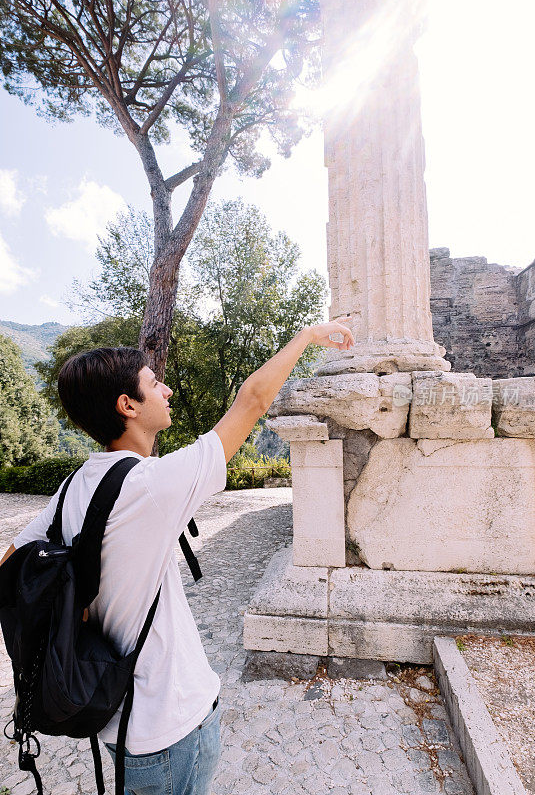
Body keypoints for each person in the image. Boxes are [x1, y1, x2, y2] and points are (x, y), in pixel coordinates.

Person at [0, 317, 354, 795]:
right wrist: (308, 336)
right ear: (127, 406)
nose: (165, 390)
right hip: (170, 729)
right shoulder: (150, 486)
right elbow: (252, 401)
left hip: (115, 721)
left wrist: (80, 608)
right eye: (153, 383)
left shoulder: (71, 488)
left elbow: (11, 565)